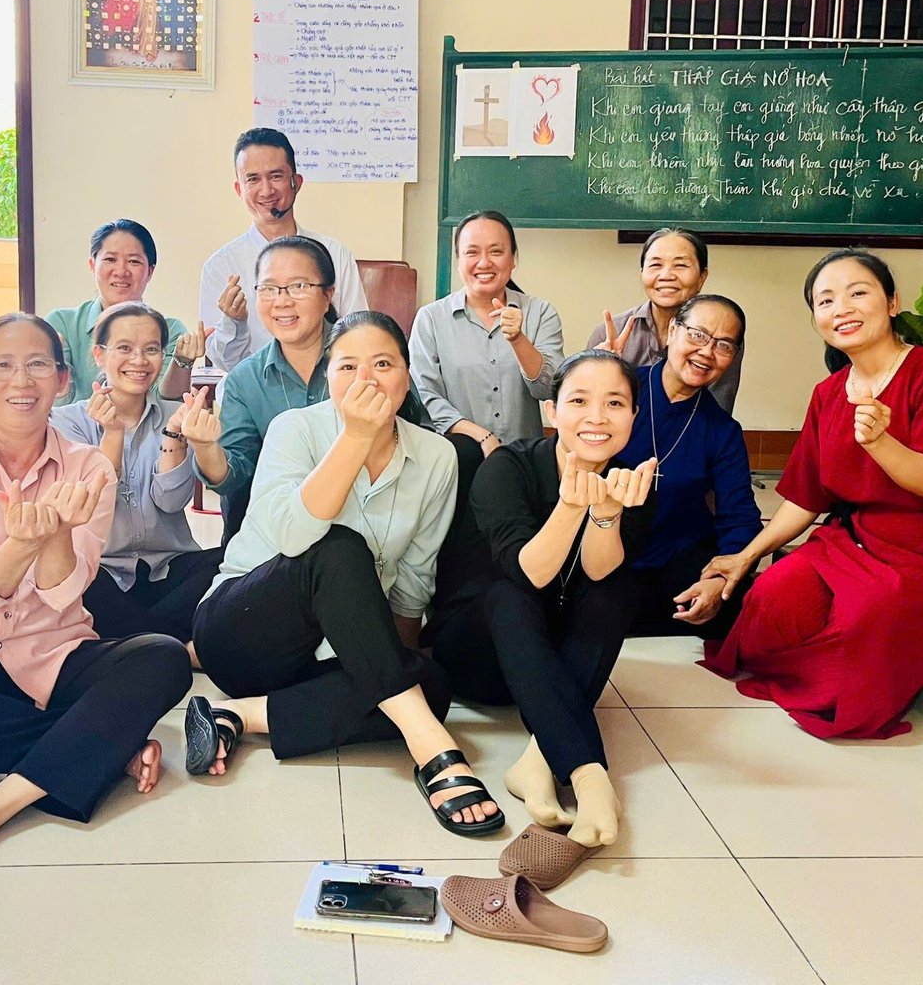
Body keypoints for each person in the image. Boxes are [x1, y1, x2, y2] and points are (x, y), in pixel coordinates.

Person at [0, 313, 190, 877]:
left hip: (51, 653)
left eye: (38, 365)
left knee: (163, 658)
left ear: (63, 380)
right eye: (4, 366)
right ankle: (100, 744)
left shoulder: (89, 466)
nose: (21, 381)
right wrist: (22, 543)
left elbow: (65, 593)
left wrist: (57, 535)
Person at [187, 311, 504, 836]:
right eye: (348, 366)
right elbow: (295, 538)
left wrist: (397, 663)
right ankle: (432, 748)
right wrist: (356, 438)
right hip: (244, 631)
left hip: (335, 652)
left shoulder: (437, 456)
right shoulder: (294, 429)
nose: (366, 379)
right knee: (337, 546)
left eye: (383, 364)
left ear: (407, 376)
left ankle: (239, 716)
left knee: (430, 686)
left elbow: (413, 580)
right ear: (328, 376)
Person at [698, 250, 923, 740]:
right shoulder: (828, 392)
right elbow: (806, 497)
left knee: (866, 621)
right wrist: (745, 557)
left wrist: (880, 441)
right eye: (825, 300)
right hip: (856, 541)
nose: (841, 308)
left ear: (892, 302)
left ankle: (838, 678)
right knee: (771, 603)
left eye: (857, 293)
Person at [430, 351, 656, 848]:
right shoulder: (507, 468)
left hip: (548, 662)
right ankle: (587, 772)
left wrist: (606, 512)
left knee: (618, 588)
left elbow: (599, 572)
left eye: (614, 403)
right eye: (579, 401)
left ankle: (537, 759)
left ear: (633, 416)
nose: (597, 417)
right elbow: (530, 573)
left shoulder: (630, 479)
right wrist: (572, 505)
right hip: (477, 651)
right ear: (552, 411)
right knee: (508, 593)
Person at [50, 301, 225, 642]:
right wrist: (112, 434)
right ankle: (173, 645)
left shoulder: (177, 414)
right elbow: (92, 506)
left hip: (168, 566)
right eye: (124, 348)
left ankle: (137, 643)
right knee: (74, 581)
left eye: (151, 349)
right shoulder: (67, 422)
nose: (139, 360)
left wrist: (174, 436)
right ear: (99, 355)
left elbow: (170, 502)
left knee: (228, 561)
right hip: (103, 570)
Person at [619, 295, 763, 637]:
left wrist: (720, 579)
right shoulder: (620, 393)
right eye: (697, 335)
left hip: (676, 557)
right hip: (604, 553)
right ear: (672, 331)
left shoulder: (722, 430)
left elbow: (740, 518)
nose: (706, 352)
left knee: (742, 599)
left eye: (723, 345)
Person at [196, 234, 337, 542]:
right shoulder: (245, 380)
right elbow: (234, 478)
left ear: (328, 295)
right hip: (276, 534)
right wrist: (205, 448)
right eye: (269, 288)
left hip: (358, 523)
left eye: (299, 286)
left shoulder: (363, 359)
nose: (282, 301)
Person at [198, 128, 367, 371]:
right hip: (251, 390)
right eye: (253, 179)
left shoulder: (335, 255)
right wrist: (233, 322)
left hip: (324, 387)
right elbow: (225, 363)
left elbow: (359, 338)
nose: (266, 190)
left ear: (296, 182)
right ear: (239, 189)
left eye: (276, 176)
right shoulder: (221, 266)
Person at [408, 210, 565, 454]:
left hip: (526, 458)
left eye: (496, 252)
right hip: (458, 457)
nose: (483, 263)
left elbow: (549, 390)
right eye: (472, 252)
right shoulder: (430, 319)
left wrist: (518, 339)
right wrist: (481, 437)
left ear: (513, 259)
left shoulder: (540, 312)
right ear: (458, 260)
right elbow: (425, 396)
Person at [45, 219, 205, 406]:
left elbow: (163, 404)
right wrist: (57, 376)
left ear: (150, 271)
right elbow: (54, 405)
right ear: (92, 265)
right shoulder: (61, 323)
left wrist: (182, 362)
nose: (121, 271)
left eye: (133, 261)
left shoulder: (171, 329)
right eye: (110, 259)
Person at [589, 227, 744, 413]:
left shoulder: (720, 339)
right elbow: (587, 407)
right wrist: (598, 373)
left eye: (681, 265)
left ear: (702, 277)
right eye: (655, 265)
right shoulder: (610, 333)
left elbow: (718, 411)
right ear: (642, 273)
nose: (666, 276)